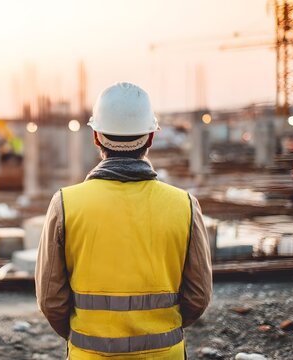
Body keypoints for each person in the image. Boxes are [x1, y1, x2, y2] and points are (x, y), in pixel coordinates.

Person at [35, 82, 212, 359]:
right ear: (151, 138)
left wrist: (83, 336)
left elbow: (50, 300)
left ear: (96, 136)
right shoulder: (185, 206)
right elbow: (198, 296)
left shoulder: (66, 205)